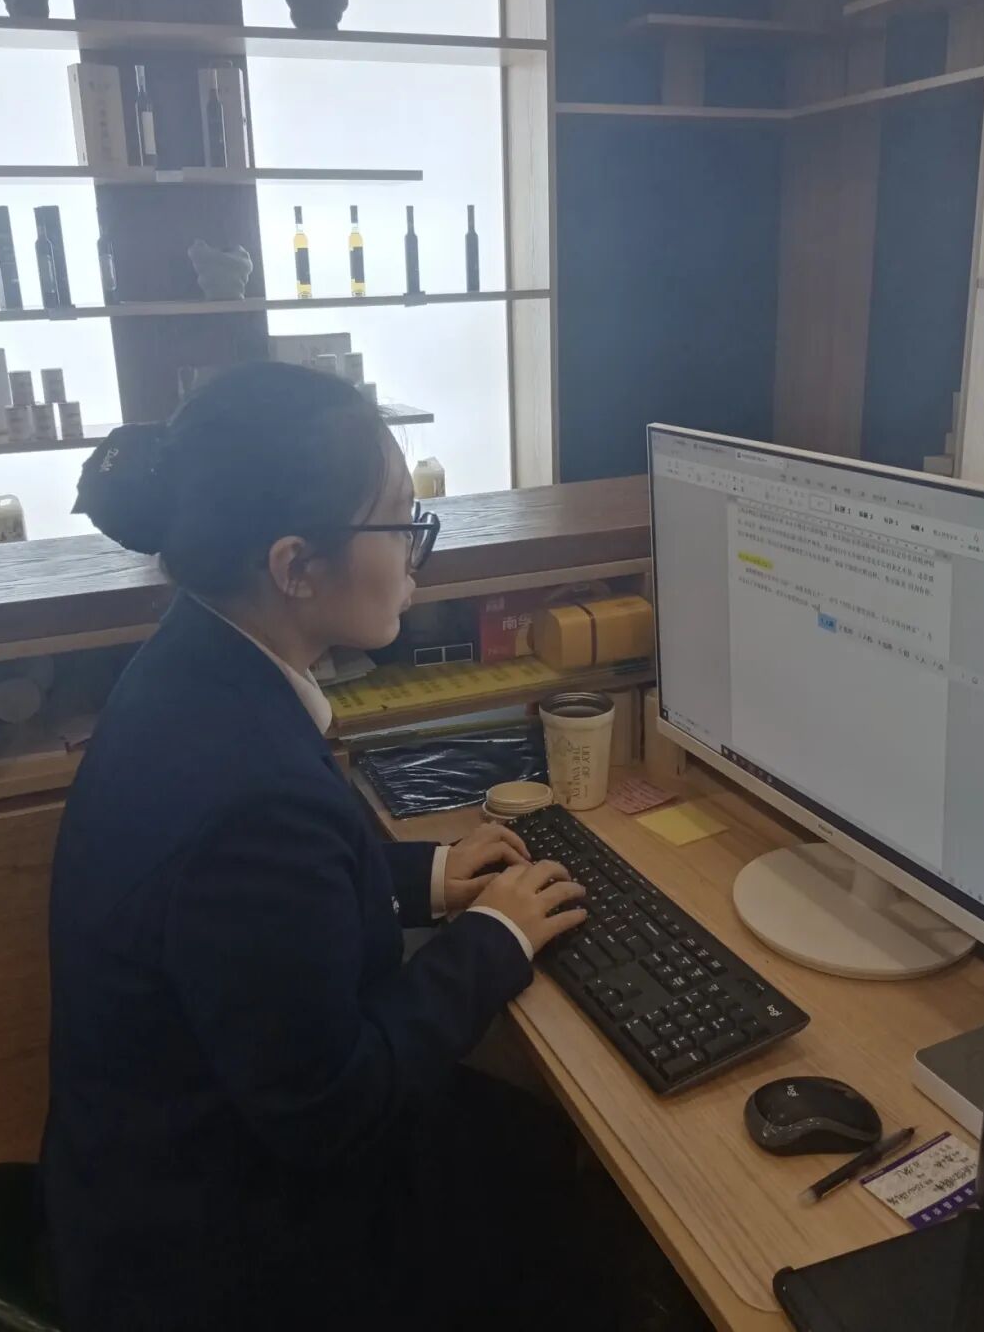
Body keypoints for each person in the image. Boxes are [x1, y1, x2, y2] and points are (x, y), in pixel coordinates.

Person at [41, 363, 592, 1332]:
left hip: (150, 1167)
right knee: (571, 1189)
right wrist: (494, 942)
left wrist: (430, 875)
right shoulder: (250, 796)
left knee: (525, 1147)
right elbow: (334, 1108)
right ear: (296, 566)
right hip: (215, 1258)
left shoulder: (194, 661)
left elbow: (255, 917)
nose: (419, 557)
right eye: (401, 524)